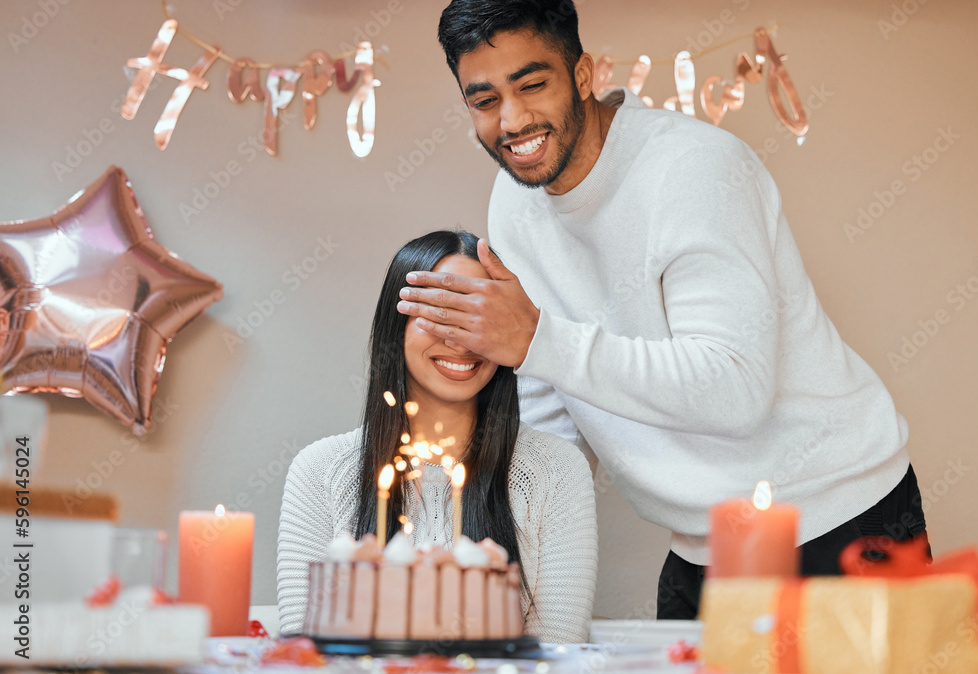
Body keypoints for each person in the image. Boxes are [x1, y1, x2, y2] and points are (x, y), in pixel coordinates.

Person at [393, 0, 928, 619]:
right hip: (701, 544)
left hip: (839, 517)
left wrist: (538, 341)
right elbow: (551, 406)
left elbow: (734, 390)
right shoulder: (515, 204)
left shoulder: (695, 170)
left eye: (532, 85)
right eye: (484, 101)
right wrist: (490, 546)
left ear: (584, 74)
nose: (512, 121)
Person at [277, 230, 598, 643]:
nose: (459, 340)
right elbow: (302, 653)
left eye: (475, 320)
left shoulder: (557, 471)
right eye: (439, 314)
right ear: (397, 326)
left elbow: (556, 652)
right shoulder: (319, 471)